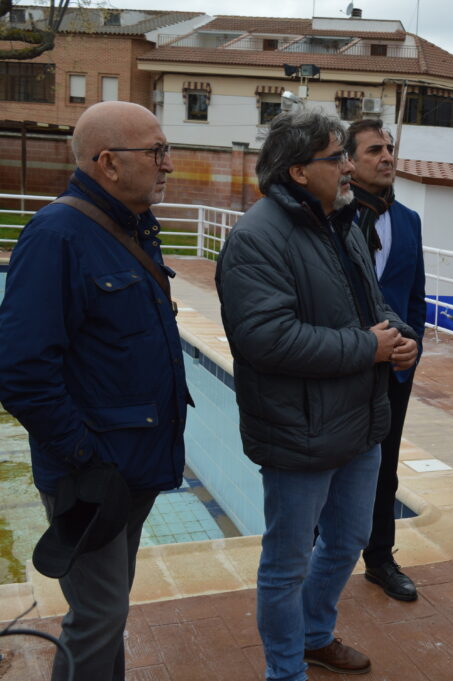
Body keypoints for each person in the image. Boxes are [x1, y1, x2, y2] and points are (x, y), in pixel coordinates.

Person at [215, 109, 418, 680]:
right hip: (298, 429)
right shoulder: (257, 238)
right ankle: (285, 670)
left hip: (358, 423)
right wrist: (367, 348)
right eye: (338, 157)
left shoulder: (343, 224)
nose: (351, 166)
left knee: (348, 538)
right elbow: (266, 339)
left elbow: (370, 308)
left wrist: (399, 339)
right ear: (300, 172)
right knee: (285, 563)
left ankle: (313, 635)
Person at [0, 101, 189, 681]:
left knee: (109, 609)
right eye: (156, 152)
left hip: (131, 467)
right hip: (95, 474)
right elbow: (20, 369)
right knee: (99, 613)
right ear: (108, 163)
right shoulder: (57, 236)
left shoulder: (132, 226)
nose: (169, 165)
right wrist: (87, 459)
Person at [344, 118, 426, 602]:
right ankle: (317, 555)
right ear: (349, 161)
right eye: (375, 149)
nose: (388, 157)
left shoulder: (410, 221)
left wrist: (410, 355)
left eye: (390, 148)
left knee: (386, 462)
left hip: (394, 367)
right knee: (332, 459)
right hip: (340, 362)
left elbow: (414, 298)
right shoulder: (332, 215)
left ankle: (380, 558)